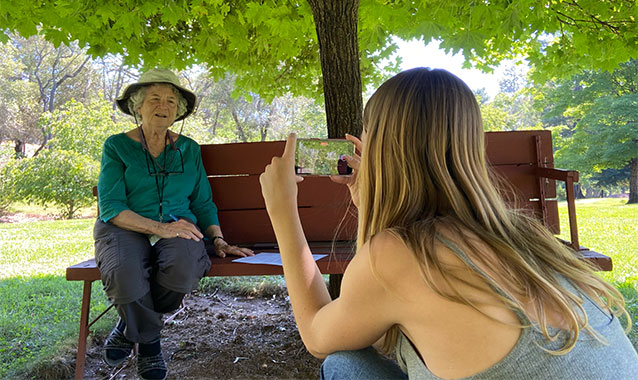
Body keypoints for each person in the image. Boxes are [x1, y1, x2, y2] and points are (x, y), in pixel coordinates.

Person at [259, 68, 638, 379]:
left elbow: (318, 336)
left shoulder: (398, 256)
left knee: (342, 366)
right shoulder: (519, 234)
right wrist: (367, 201)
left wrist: (282, 211)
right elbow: (376, 307)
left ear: (383, 148)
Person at [94, 68, 253, 380]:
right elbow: (111, 206)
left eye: (170, 100)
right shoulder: (116, 146)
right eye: (154, 98)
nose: (163, 106)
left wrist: (218, 239)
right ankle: (151, 343)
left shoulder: (189, 149)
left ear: (178, 110)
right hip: (124, 227)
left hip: (179, 226)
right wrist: (159, 228)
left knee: (182, 266)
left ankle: (131, 327)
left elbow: (202, 202)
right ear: (137, 106)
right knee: (123, 272)